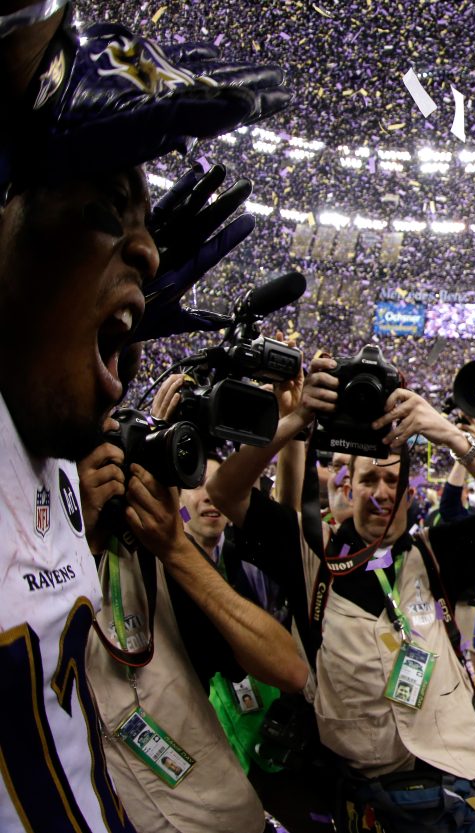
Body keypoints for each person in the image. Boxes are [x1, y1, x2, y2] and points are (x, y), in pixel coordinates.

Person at [0, 8, 287, 827]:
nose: (152, 251)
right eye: (107, 207)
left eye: (145, 223)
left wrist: (101, 315)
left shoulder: (49, 457)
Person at [207, 353, 475, 832]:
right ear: (348, 489)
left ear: (409, 493)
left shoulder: (434, 553)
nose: (381, 492)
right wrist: (296, 419)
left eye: (391, 479)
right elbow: (224, 490)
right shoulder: (311, 555)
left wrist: (451, 436)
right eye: (368, 479)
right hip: (358, 785)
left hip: (447, 775)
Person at [79, 437, 308, 833]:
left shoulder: (160, 561)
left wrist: (176, 550)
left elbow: (289, 669)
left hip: (229, 807)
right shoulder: (24, 583)